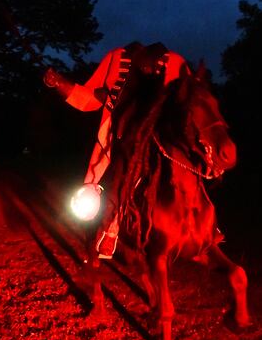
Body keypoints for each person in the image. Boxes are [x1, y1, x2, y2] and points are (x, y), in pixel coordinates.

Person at [43, 41, 189, 258]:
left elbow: (187, 100)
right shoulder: (116, 58)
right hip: (117, 132)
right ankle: (107, 229)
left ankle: (200, 223)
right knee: (106, 178)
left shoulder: (176, 62)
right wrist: (60, 84)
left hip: (156, 134)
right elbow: (92, 97)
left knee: (184, 170)